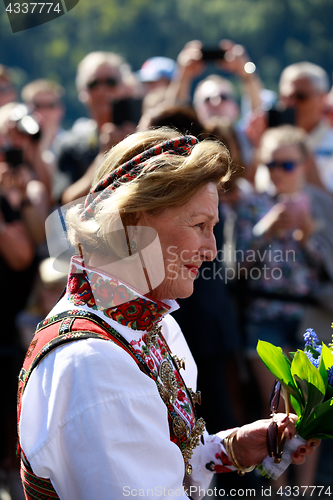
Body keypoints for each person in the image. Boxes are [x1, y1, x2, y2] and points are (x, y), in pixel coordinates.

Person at [18, 128, 317, 500]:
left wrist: (230, 448)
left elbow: (167, 460)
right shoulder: (95, 365)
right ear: (134, 222)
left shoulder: (147, 325)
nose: (211, 250)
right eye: (200, 226)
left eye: (214, 229)